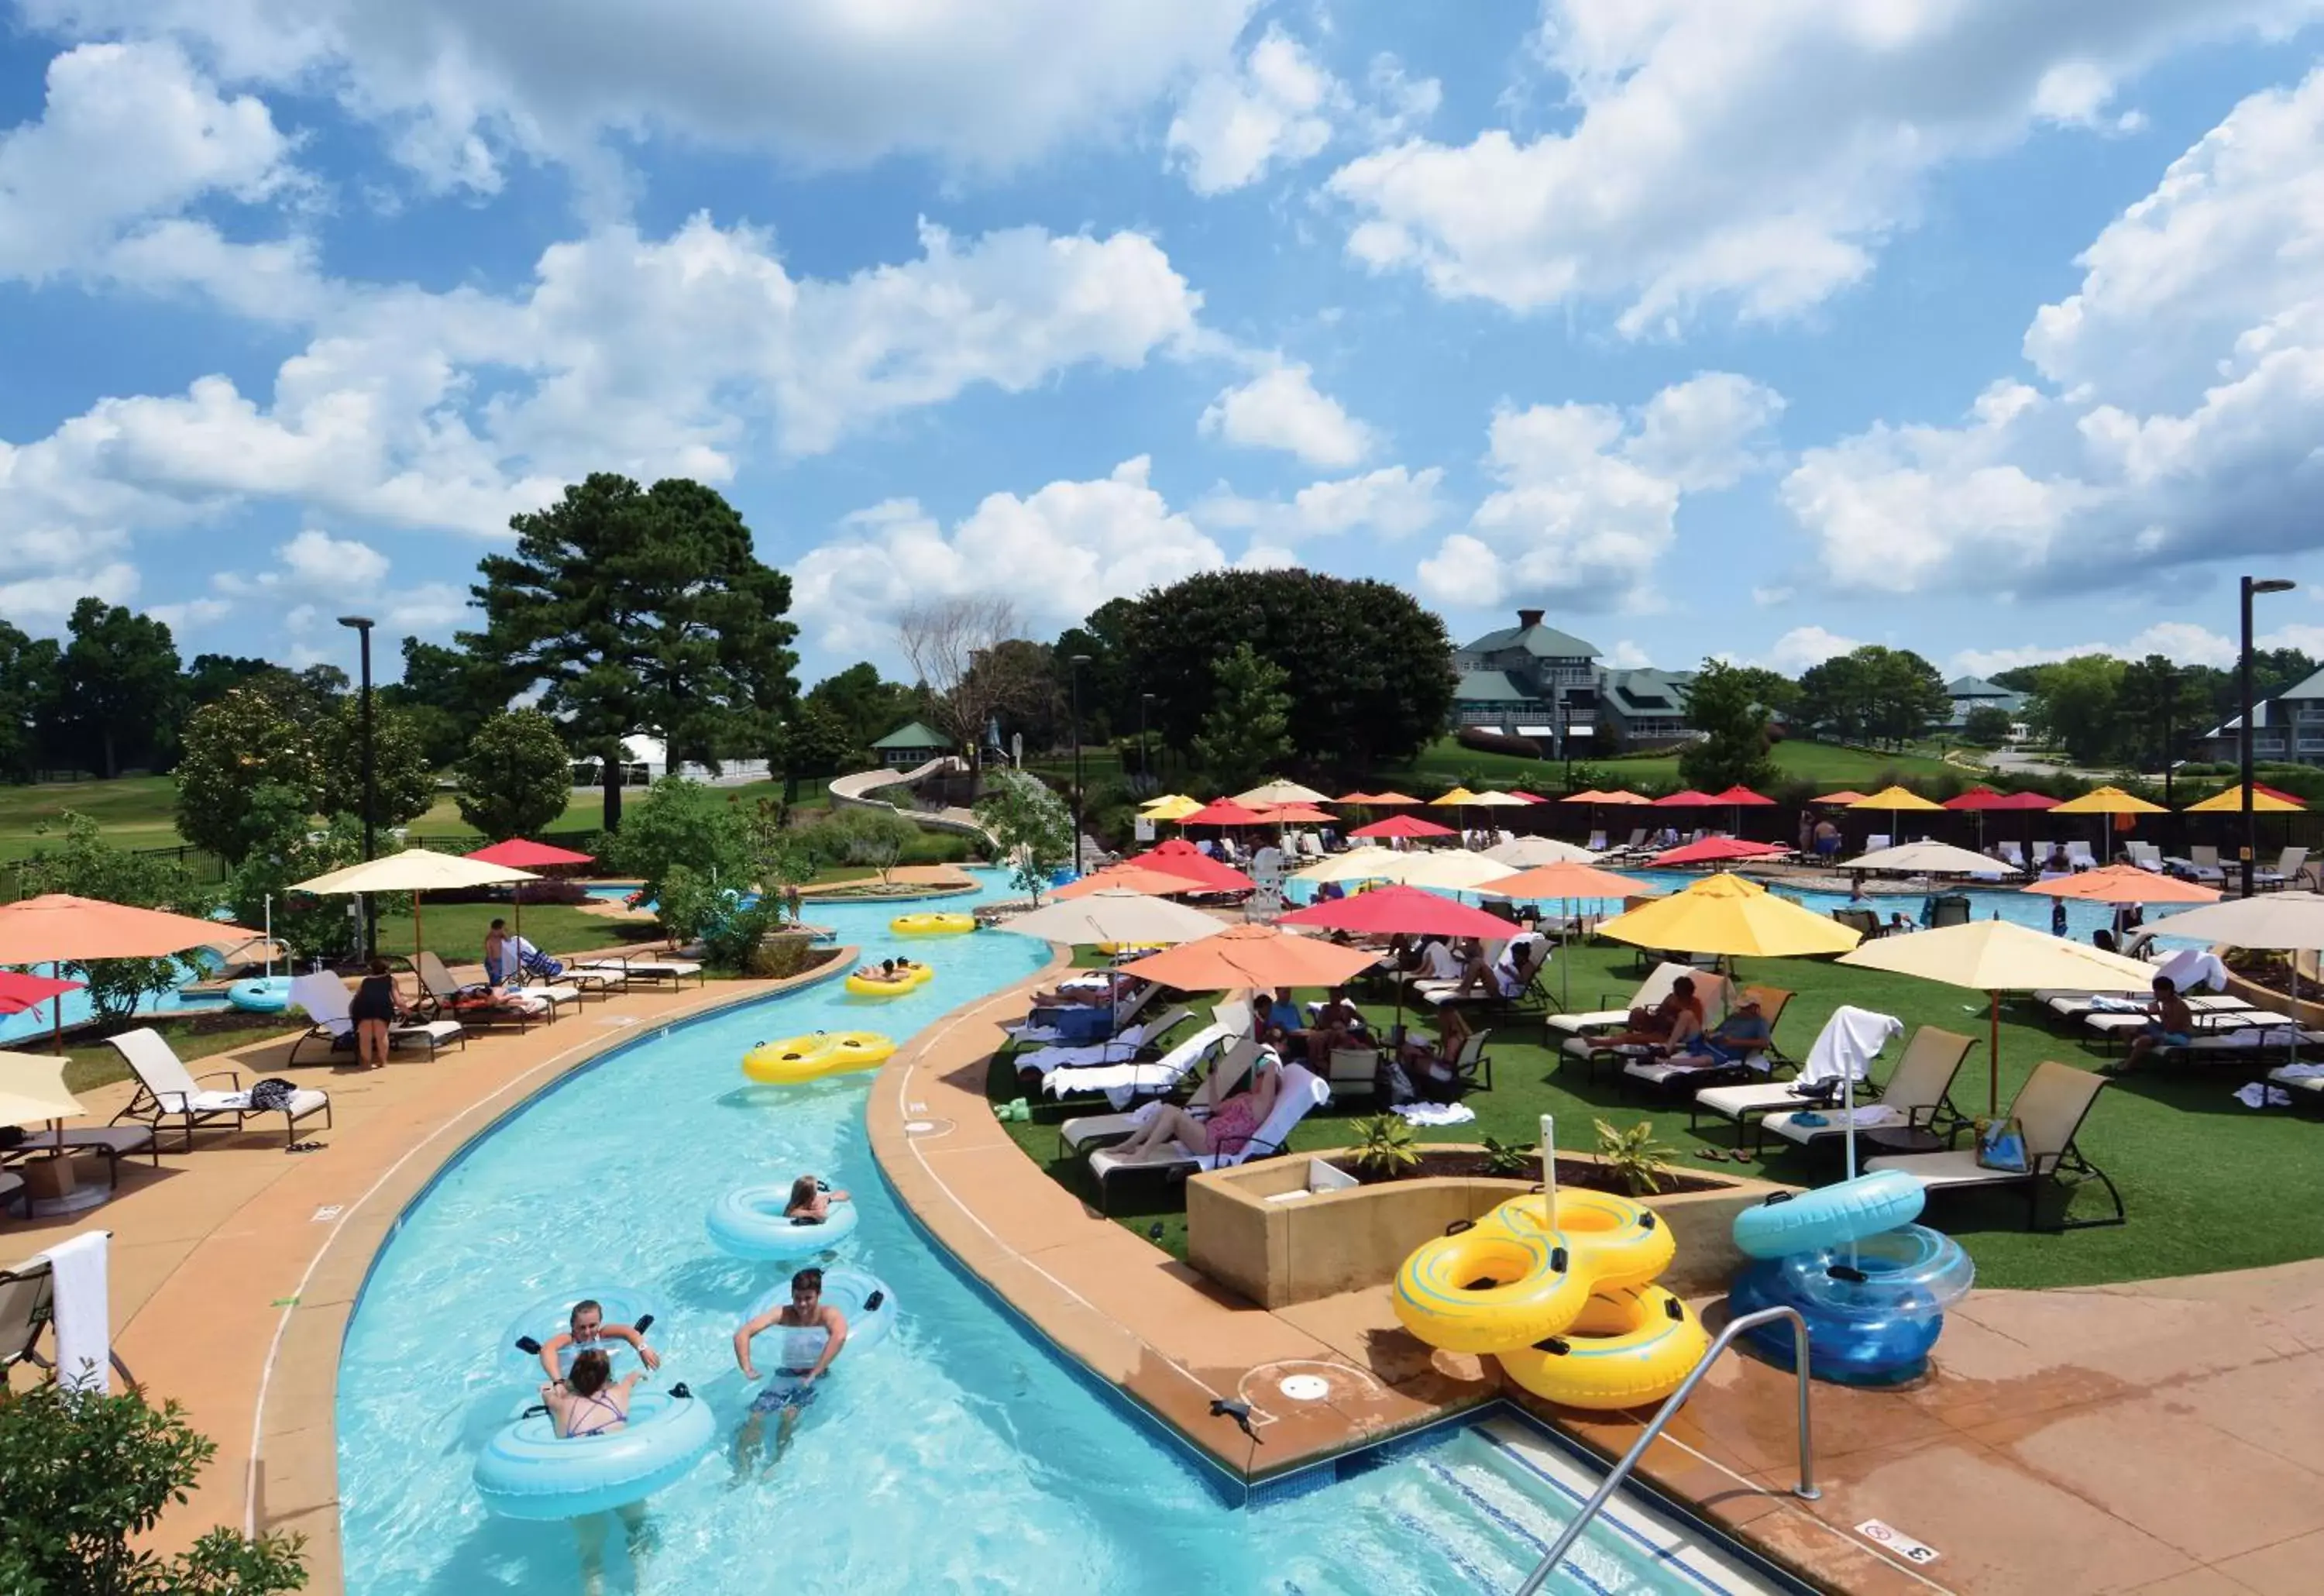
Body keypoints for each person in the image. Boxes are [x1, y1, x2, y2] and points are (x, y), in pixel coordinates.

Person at [540, 1349, 652, 1594]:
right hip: (619, 1478)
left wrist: (563, 1385)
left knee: (591, 1555)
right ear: (607, 1378)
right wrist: (634, 1376)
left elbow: (544, 1388)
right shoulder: (619, 1394)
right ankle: (642, 1585)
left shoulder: (561, 1404)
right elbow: (630, 1380)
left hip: (582, 1486)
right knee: (637, 1527)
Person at [734, 1266, 851, 1474]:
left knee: (788, 1415)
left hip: (815, 1377)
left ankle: (775, 1463)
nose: (802, 1304)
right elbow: (742, 1334)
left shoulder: (828, 1314)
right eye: (798, 1298)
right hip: (786, 1374)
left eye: (808, 1298)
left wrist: (815, 1372)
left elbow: (839, 1337)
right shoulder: (784, 1313)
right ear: (792, 1295)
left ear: (819, 1295)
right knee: (756, 1415)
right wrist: (747, 1368)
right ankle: (743, 1469)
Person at [1110, 1045, 1282, 1162]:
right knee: (1167, 1109)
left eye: (1260, 1076)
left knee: (1172, 1113)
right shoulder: (1244, 1097)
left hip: (1215, 1145)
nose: (1256, 1078)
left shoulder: (1261, 1105)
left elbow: (1271, 1068)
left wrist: (1273, 1055)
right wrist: (1213, 1078)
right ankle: (1131, 1144)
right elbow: (1215, 1108)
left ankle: (1142, 1153)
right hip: (1207, 1134)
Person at [536, 1298, 662, 1384]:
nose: (587, 1332)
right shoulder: (569, 1339)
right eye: (582, 1327)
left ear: (600, 1322)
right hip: (573, 1382)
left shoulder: (603, 1334)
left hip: (604, 1381)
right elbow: (548, 1349)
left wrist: (643, 1349)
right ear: (572, 1326)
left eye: (592, 1326)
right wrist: (558, 1382)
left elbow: (629, 1332)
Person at [2114, 977, 2194, 1073]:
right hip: (2165, 1030)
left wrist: (2158, 1013)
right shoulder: (2164, 1002)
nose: (2155, 994)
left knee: (2144, 1040)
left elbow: (2171, 1029)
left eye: (2158, 991)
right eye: (2155, 991)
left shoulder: (2178, 1006)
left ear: (2167, 991)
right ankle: (2132, 1059)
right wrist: (2148, 1015)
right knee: (2125, 1029)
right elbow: (2164, 1025)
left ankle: (2127, 1067)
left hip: (2180, 1036)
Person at [1606, 976, 1704, 1052]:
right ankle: (1629, 1034)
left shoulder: (1695, 1005)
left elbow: (1692, 1032)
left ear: (1686, 993)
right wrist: (1660, 1012)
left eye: (1677, 992)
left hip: (1668, 1035)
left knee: (1632, 1038)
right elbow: (1659, 1012)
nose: (1674, 993)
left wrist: (1673, 1019)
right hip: (1658, 1025)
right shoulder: (1671, 997)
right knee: (1637, 1012)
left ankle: (1621, 1040)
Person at [1398, 1008, 1474, 1102]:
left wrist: (1428, 1054)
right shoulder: (1463, 1035)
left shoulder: (1453, 1041)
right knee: (1412, 1051)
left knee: (1409, 1052)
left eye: (1440, 1018)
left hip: (1447, 1075)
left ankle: (1409, 1085)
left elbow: (1447, 1065)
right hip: (1454, 1071)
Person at [348, 958, 400, 1070]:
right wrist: (408, 1012)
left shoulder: (366, 981)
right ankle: (383, 1062)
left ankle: (366, 1064)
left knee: (364, 1038)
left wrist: (352, 1012)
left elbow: (356, 997)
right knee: (381, 1036)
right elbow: (398, 1001)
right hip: (381, 1007)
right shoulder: (390, 980)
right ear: (387, 969)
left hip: (362, 1008)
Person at [783, 1174, 849, 1223]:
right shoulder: (793, 1209)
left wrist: (830, 1199)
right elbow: (822, 1216)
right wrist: (815, 1212)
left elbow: (845, 1194)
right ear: (812, 1194)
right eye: (817, 1188)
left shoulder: (819, 1200)